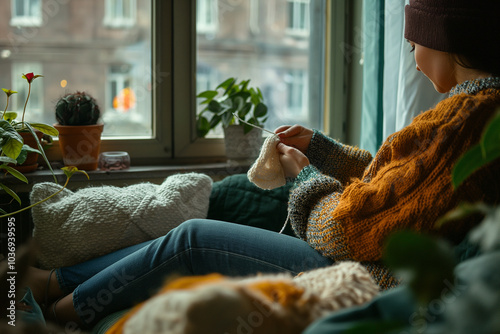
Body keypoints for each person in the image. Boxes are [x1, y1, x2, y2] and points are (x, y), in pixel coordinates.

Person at [24, 0, 500, 329]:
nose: (411, 55)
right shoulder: (473, 110)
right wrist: (322, 149)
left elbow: (348, 228)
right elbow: (399, 189)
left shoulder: (468, 118)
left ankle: (62, 313)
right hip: (370, 257)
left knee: (194, 239)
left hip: (365, 274)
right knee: (191, 237)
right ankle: (54, 282)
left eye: (414, 41)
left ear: (443, 36)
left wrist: (303, 177)